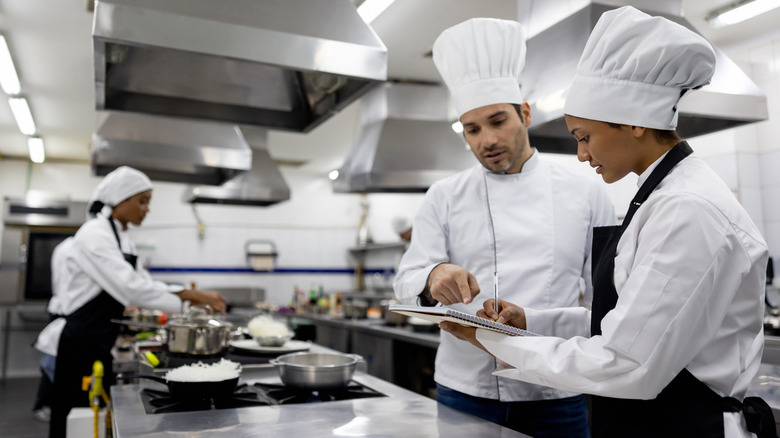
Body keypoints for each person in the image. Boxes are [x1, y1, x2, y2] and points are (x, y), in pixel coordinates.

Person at [440, 6, 776, 438]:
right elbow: (632, 320)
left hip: (690, 426)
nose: (581, 154)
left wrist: (494, 340)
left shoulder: (686, 209)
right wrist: (533, 321)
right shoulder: (660, 195)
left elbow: (628, 362)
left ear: (635, 123)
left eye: (584, 136)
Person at [393, 17, 616, 438]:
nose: (486, 140)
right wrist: (433, 274)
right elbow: (406, 279)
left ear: (525, 113)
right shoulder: (444, 195)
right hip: (465, 386)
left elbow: (609, 301)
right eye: (472, 129)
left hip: (556, 391)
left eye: (497, 122)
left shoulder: (587, 193)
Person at [34, 166, 226, 438]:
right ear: (120, 200)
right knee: (74, 417)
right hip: (79, 342)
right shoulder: (94, 233)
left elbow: (144, 283)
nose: (147, 209)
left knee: (95, 415)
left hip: (101, 340)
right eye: (142, 201)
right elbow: (130, 288)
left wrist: (188, 306)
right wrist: (191, 295)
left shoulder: (122, 238)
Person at [31, 237, 74, 423]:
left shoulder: (63, 246)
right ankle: (43, 405)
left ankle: (47, 404)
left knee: (54, 360)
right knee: (54, 361)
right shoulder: (75, 247)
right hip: (64, 310)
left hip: (60, 308)